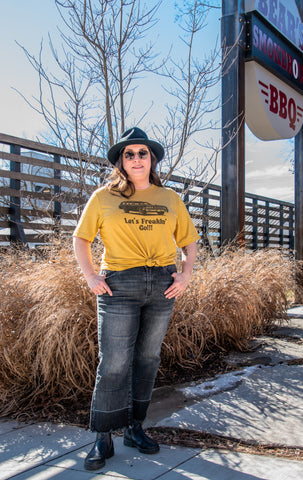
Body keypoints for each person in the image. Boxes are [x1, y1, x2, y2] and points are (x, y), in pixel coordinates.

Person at [73, 127, 199, 471]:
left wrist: (185, 276)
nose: (137, 159)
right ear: (121, 161)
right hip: (118, 286)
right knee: (113, 363)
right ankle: (103, 436)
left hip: (161, 285)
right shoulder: (103, 197)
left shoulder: (170, 198)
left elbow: (189, 242)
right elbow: (80, 239)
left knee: (147, 359)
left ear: (152, 158)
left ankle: (134, 428)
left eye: (142, 153)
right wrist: (91, 276)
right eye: (129, 154)